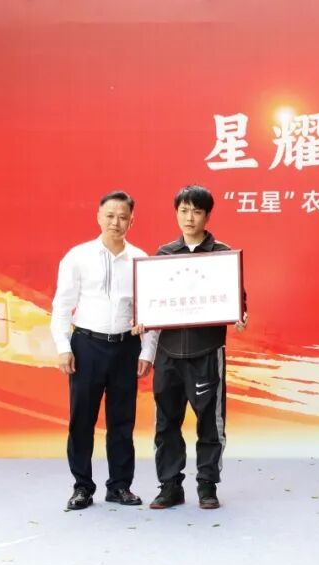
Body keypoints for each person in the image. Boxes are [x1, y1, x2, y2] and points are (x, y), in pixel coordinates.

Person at [50, 190, 158, 510]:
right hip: (86, 346)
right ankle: (82, 487)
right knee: (82, 420)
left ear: (131, 221)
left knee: (122, 422)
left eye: (123, 217)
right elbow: (62, 306)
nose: (115, 222)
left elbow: (151, 311)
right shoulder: (78, 257)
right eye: (110, 216)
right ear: (98, 217)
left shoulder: (141, 260)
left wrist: (147, 352)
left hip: (126, 348)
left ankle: (120, 486)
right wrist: (63, 347)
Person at [148, 185, 248, 510]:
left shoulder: (222, 255)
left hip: (207, 351)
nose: (189, 217)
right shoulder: (164, 255)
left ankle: (207, 485)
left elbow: (238, 299)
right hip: (168, 353)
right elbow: (152, 300)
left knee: (209, 422)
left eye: (197, 211)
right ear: (176, 213)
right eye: (184, 210)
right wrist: (143, 317)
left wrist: (241, 314)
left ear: (207, 216)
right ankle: (169, 486)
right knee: (166, 422)